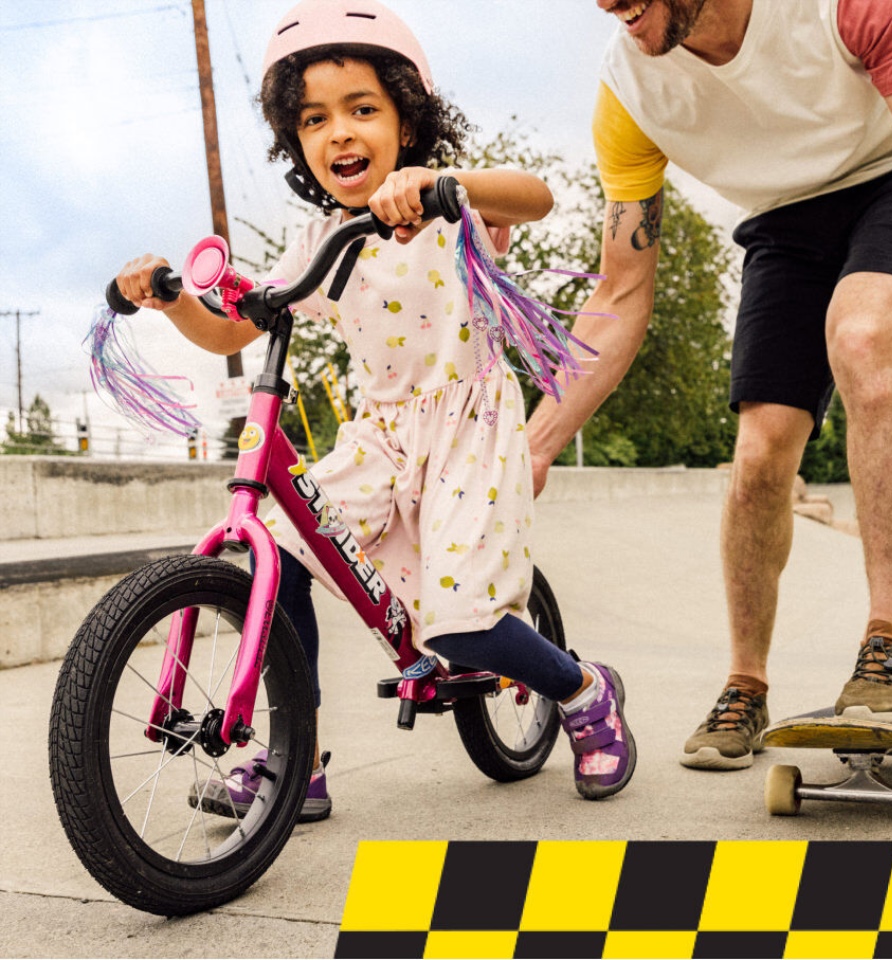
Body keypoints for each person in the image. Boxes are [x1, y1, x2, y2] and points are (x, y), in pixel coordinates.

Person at [115, 0, 636, 813]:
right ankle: (296, 759)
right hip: (381, 437)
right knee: (278, 558)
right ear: (297, 141)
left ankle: (583, 691)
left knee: (460, 626)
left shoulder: (449, 209)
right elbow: (229, 332)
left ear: (407, 117)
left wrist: (440, 186)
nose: (339, 133)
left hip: (468, 429)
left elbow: (534, 196)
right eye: (314, 119)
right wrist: (170, 300)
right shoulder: (316, 238)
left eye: (363, 109)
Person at [526, 0, 892, 770]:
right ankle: (746, 685)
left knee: (861, 336)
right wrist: (531, 447)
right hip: (786, 221)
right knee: (759, 458)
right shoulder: (630, 91)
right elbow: (621, 292)